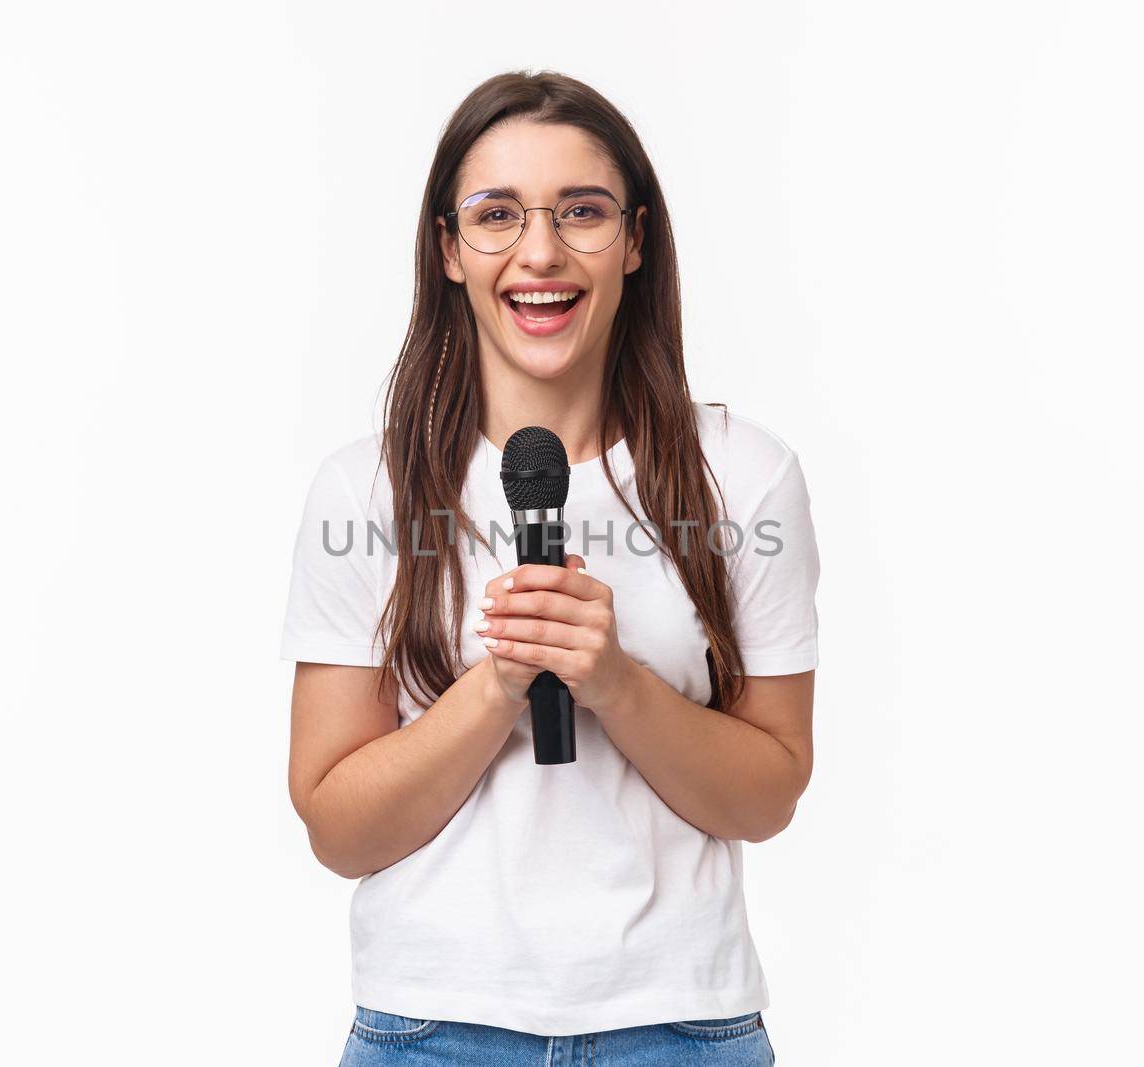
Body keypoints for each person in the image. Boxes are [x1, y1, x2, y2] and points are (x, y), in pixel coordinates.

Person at [281, 70, 819, 1066]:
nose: (540, 251)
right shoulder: (364, 491)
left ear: (635, 240)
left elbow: (767, 795)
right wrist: (496, 684)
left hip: (678, 1025)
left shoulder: (744, 476)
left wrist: (612, 678)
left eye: (581, 211)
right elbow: (339, 831)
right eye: (496, 215)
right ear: (448, 248)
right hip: (429, 1027)